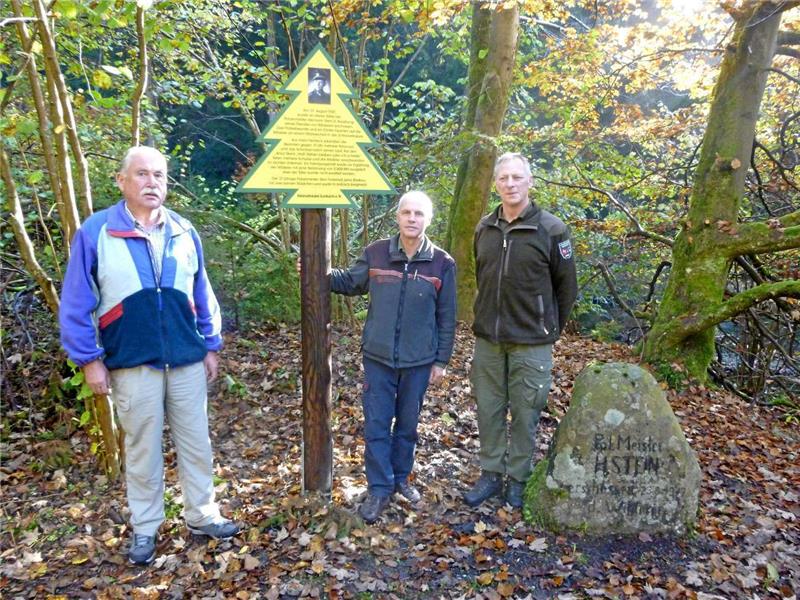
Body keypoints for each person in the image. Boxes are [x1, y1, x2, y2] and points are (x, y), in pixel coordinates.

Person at [59, 146, 240, 566]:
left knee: (197, 442)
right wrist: (89, 359)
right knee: (142, 448)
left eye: (159, 175)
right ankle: (146, 526)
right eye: (141, 174)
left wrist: (210, 344)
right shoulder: (97, 231)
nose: (151, 182)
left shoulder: (183, 230)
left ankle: (203, 514)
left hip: (186, 358)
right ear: (121, 181)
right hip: (132, 360)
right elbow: (76, 302)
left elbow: (202, 292)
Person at [330, 191, 456, 523]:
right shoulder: (376, 253)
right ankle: (379, 488)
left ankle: (401, 479)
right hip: (378, 357)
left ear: (429, 220)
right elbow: (350, 282)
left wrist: (441, 361)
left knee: (408, 426)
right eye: (406, 212)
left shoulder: (442, 263)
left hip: (419, 360)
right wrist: (316, 271)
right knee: (376, 424)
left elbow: (447, 316)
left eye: (419, 213)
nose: (412, 218)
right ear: (397, 217)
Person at [464, 152, 577, 509]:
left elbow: (567, 288)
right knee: (489, 409)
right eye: (504, 178)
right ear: (496, 184)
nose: (510, 184)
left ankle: (518, 478)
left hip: (532, 341)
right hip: (489, 339)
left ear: (530, 181)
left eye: (517, 177)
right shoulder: (484, 228)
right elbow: (481, 275)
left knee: (526, 413)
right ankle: (491, 473)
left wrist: (548, 327)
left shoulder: (552, 229)